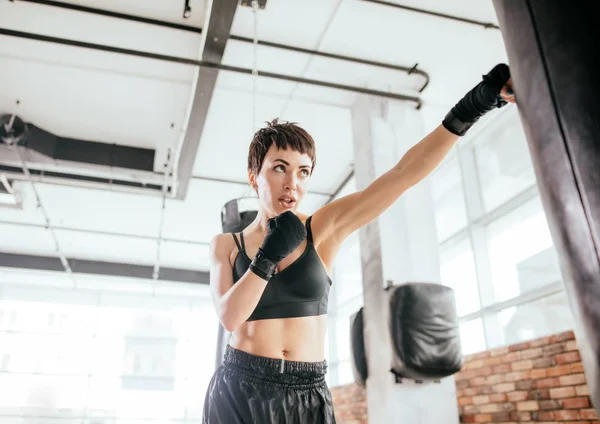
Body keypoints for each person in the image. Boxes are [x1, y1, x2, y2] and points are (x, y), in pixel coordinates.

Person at [202, 64, 516, 423]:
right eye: (279, 167)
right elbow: (230, 317)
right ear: (253, 175)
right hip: (240, 389)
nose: (293, 183)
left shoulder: (323, 228)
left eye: (303, 171)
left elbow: (402, 175)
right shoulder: (226, 244)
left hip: (308, 392)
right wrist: (268, 255)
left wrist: (471, 107)